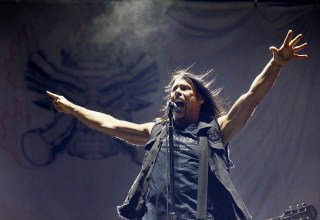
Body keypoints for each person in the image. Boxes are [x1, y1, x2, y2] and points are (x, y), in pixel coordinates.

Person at [47, 30, 307, 220]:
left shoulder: (215, 131)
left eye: (184, 88)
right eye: (173, 90)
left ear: (199, 98)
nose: (176, 93)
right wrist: (72, 108)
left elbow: (250, 99)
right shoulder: (157, 132)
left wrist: (276, 64)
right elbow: (109, 124)